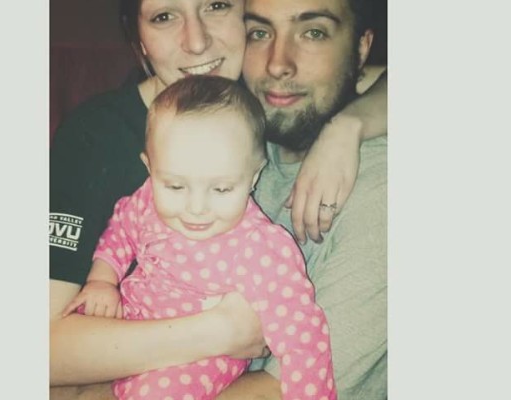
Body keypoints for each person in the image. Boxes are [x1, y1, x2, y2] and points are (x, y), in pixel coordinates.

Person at [49, 0, 387, 398]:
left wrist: (347, 126)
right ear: (137, 38)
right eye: (163, 16)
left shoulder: (264, 94)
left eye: (216, 5)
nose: (197, 43)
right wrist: (219, 331)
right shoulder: (98, 136)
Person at [63, 75, 337, 400]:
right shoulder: (147, 198)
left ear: (253, 177)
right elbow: (122, 227)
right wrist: (102, 280)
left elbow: (301, 335)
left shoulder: (261, 248)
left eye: (221, 189)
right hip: (129, 326)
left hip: (199, 360)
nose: (196, 208)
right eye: (176, 186)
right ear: (150, 168)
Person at [219, 0, 387, 398]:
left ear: (361, 48)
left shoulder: (382, 191)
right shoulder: (237, 143)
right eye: (259, 33)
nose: (278, 63)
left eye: (313, 32)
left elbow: (282, 391)